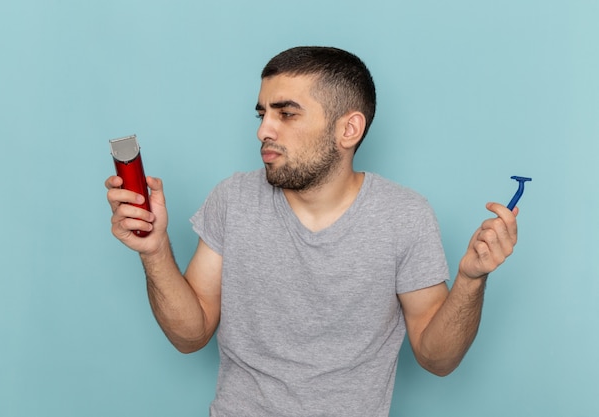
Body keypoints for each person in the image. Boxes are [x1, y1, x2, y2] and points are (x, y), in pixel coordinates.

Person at [105, 46, 519, 417]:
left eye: (286, 113)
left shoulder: (404, 215)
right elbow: (190, 336)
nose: (263, 130)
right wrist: (154, 250)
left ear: (348, 130)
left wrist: (470, 279)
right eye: (262, 113)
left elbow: (437, 359)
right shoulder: (233, 199)